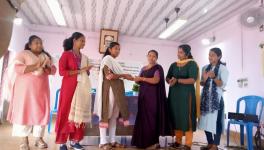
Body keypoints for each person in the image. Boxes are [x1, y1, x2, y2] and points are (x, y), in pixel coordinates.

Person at [6, 35, 56, 150]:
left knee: (41, 113)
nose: (39, 45)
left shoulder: (46, 56)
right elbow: (18, 69)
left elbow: (52, 70)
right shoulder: (23, 54)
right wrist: (36, 66)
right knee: (25, 112)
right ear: (30, 45)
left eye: (40, 43)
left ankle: (39, 139)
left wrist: (46, 68)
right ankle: (24, 140)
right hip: (24, 92)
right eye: (36, 43)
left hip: (42, 91)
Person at [55, 32, 93, 150]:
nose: (84, 43)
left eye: (84, 41)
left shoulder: (85, 57)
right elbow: (62, 72)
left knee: (79, 114)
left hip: (81, 88)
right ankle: (62, 142)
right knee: (65, 112)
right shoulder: (66, 54)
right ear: (74, 40)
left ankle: (74, 140)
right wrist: (81, 70)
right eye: (82, 40)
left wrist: (86, 71)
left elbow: (86, 73)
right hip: (68, 88)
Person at [94, 42, 133, 150]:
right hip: (109, 91)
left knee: (113, 117)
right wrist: (124, 75)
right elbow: (109, 76)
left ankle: (112, 140)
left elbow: (116, 76)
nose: (118, 51)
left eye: (119, 49)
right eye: (116, 48)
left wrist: (127, 77)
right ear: (110, 49)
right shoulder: (107, 59)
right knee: (106, 115)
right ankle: (103, 142)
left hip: (117, 92)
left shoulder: (114, 61)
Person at [131, 50, 170, 149]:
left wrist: (143, 79)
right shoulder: (143, 68)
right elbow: (138, 80)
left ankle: (153, 142)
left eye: (154, 56)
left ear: (157, 58)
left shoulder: (158, 68)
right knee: (142, 118)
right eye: (149, 56)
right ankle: (141, 142)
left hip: (153, 98)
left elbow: (156, 80)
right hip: (143, 96)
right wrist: (135, 79)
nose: (151, 58)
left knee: (151, 119)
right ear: (147, 56)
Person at [166, 44, 200, 150]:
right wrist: (169, 81)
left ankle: (188, 144)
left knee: (187, 118)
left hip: (186, 95)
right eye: (178, 51)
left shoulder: (192, 64)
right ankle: (177, 141)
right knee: (176, 117)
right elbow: (167, 77)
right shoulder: (174, 64)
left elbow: (192, 80)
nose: (178, 54)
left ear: (187, 53)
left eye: (180, 52)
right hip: (174, 95)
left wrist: (177, 80)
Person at [198, 48, 229, 150]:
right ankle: (210, 143)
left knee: (217, 122)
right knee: (205, 121)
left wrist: (214, 77)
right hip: (206, 98)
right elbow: (202, 83)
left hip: (217, 99)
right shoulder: (205, 68)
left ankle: (215, 145)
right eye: (209, 55)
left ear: (219, 56)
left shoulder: (223, 69)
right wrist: (204, 79)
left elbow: (222, 84)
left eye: (212, 55)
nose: (210, 57)